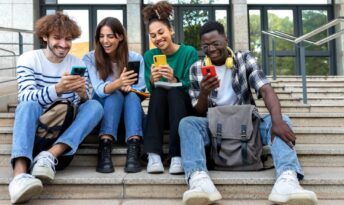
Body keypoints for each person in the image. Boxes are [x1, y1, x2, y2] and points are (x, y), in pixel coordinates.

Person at [179, 21, 318, 205]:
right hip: (215, 127)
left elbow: (266, 90)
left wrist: (276, 121)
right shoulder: (196, 69)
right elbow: (199, 111)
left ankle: (287, 179)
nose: (211, 49)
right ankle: (199, 180)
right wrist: (204, 92)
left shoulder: (244, 59)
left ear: (226, 40)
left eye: (215, 44)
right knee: (187, 123)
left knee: (281, 119)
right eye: (206, 46)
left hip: (247, 125)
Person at [9, 12, 103, 204]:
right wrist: (58, 89)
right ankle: (19, 176)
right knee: (27, 105)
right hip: (36, 132)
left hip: (61, 138)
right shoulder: (28, 59)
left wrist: (82, 94)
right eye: (57, 38)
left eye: (68, 39)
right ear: (45, 37)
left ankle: (48, 157)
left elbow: (80, 106)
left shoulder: (77, 63)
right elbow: (26, 96)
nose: (63, 44)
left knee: (95, 105)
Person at [142, 1, 198, 174]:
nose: (157, 38)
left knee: (174, 91)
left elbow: (194, 86)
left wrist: (174, 79)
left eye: (161, 32)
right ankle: (154, 155)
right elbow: (150, 91)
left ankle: (177, 155)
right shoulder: (149, 55)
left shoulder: (189, 52)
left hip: (184, 109)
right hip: (161, 111)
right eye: (153, 35)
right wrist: (152, 80)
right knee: (159, 90)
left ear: (171, 30)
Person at [82, 17, 145, 174]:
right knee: (114, 94)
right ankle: (105, 146)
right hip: (103, 115)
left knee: (131, 96)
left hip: (129, 115)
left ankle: (134, 148)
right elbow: (98, 89)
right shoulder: (90, 58)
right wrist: (119, 83)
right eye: (101, 37)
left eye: (110, 36)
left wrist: (130, 88)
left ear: (120, 37)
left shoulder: (135, 58)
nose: (105, 41)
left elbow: (141, 89)